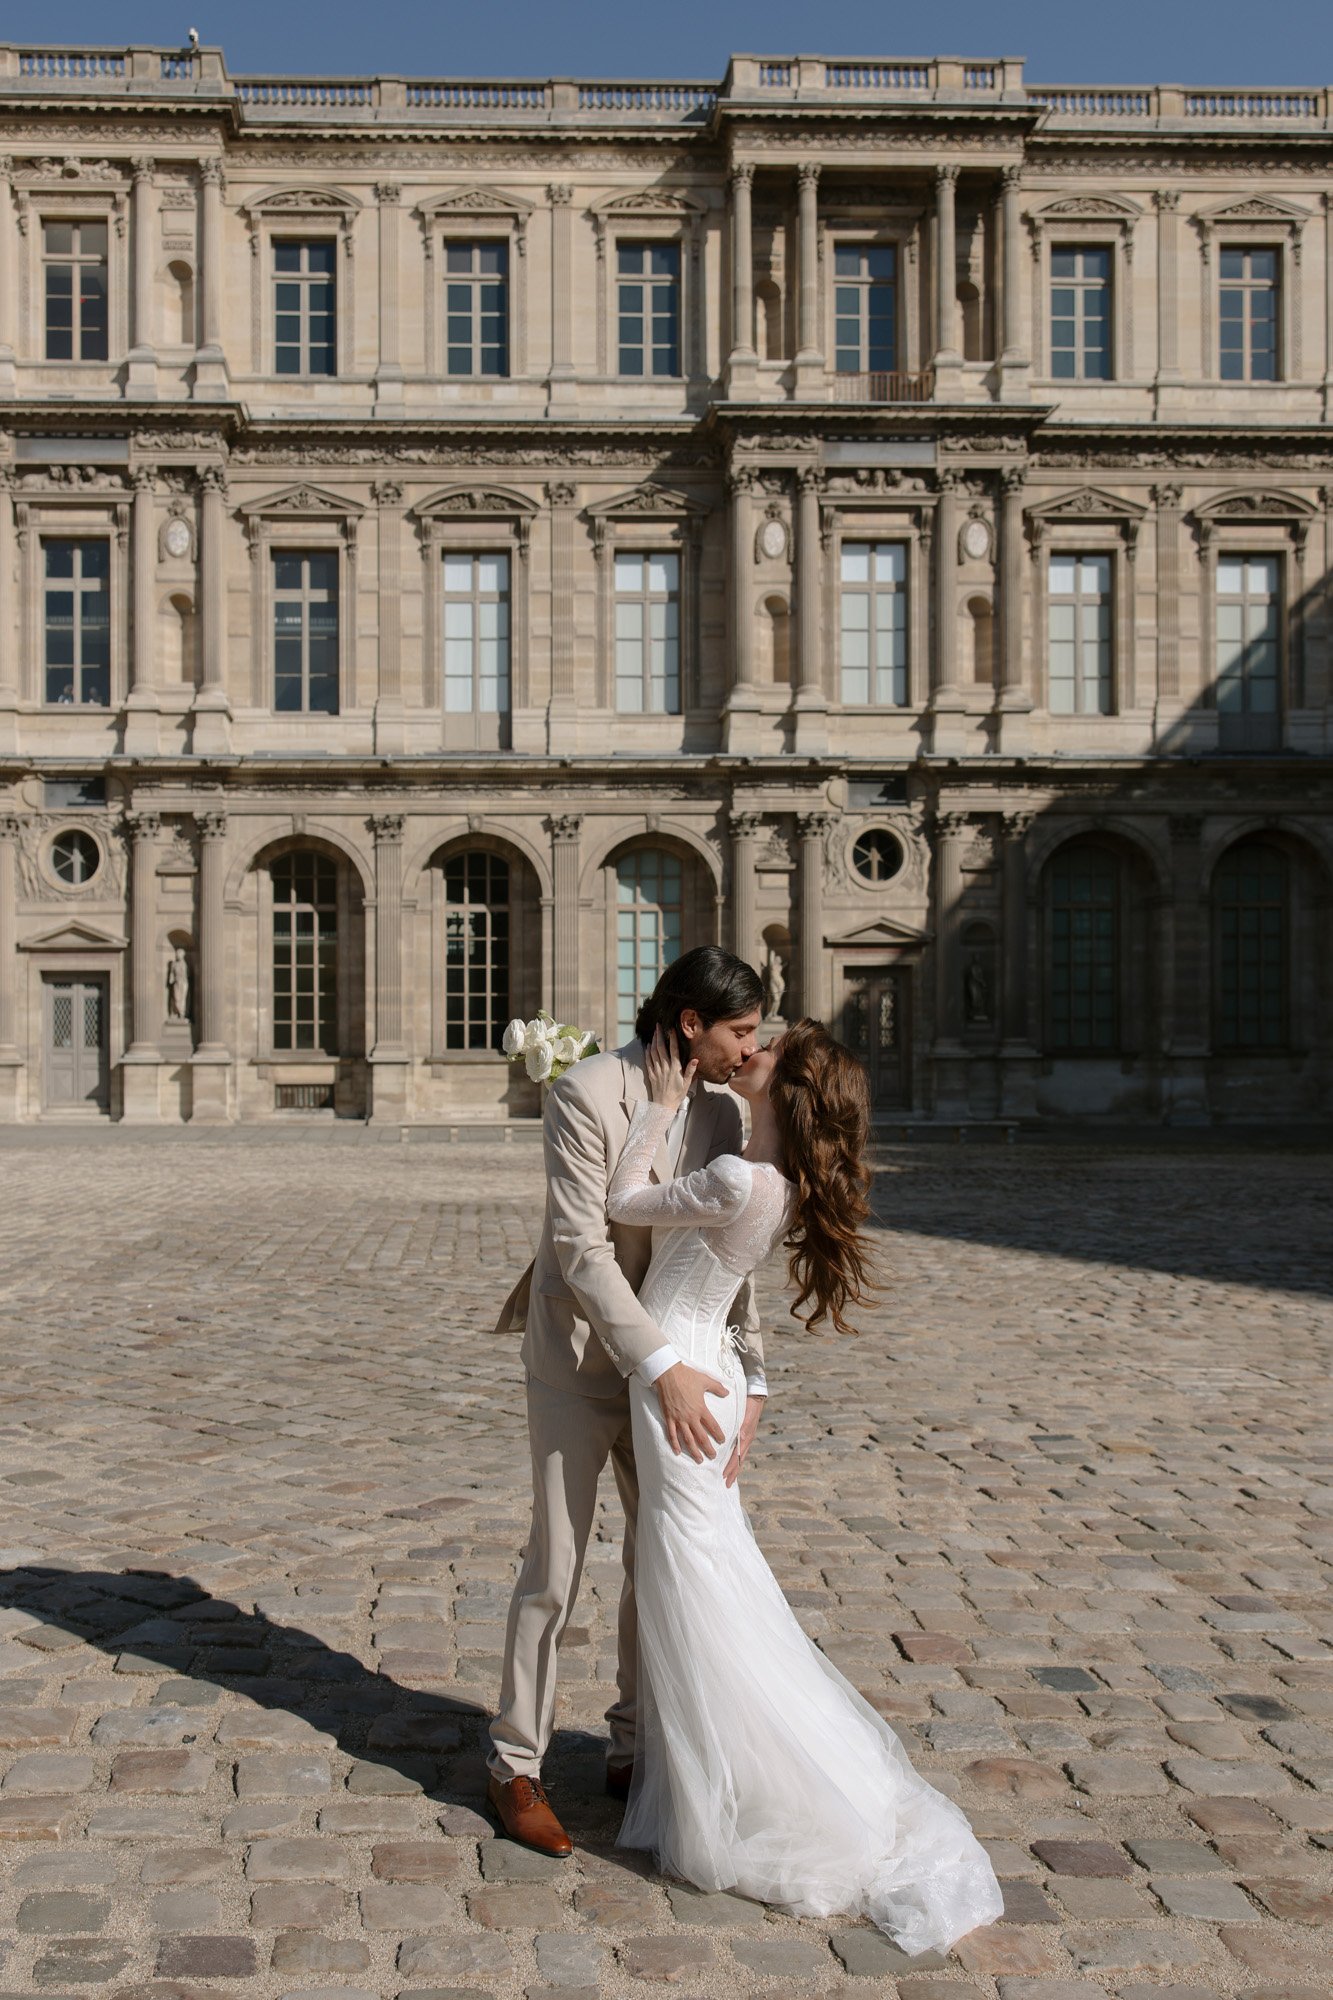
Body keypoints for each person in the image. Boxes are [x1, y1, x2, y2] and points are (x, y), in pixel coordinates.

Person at [603, 1018, 1003, 1954]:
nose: (752, 1046)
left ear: (787, 1087)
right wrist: (755, 1385)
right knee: (705, 1570)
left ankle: (741, 1787)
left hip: (679, 1376)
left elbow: (624, 1203)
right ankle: (712, 1768)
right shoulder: (766, 1178)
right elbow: (728, 1290)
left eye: (769, 1046)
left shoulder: (740, 1176)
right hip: (712, 1369)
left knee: (693, 1579)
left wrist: (658, 1109)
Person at [487, 946, 767, 1856]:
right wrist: (656, 1366)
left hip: (682, 1368)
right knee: (555, 1567)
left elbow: (734, 1250)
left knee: (663, 1561)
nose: (749, 1049)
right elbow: (580, 1247)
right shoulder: (584, 1091)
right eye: (739, 1031)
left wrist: (751, 1372)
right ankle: (514, 1763)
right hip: (581, 1360)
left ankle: (632, 1746)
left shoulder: (726, 1112)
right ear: (690, 1022)